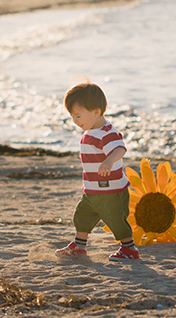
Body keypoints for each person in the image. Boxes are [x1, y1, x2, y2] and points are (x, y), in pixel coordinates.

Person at [56, 81, 139, 261]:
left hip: (111, 190)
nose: (75, 121)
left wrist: (109, 160)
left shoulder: (106, 133)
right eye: (72, 117)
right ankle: (79, 245)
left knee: (116, 220)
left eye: (78, 116)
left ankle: (129, 249)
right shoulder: (90, 132)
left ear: (96, 112)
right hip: (93, 190)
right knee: (82, 215)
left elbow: (120, 149)